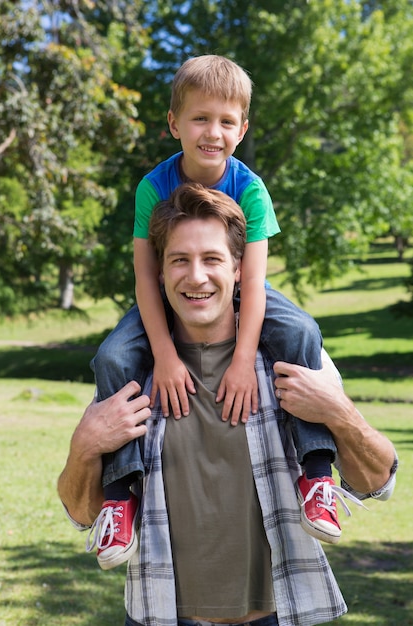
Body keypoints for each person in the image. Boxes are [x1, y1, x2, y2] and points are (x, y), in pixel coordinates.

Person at [59, 183, 398, 626]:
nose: (196, 276)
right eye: (179, 260)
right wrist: (84, 446)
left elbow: (378, 481)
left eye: (212, 259)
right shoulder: (133, 372)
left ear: (240, 269)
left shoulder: (290, 358)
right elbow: (83, 513)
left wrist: (338, 412)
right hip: (161, 615)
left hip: (279, 615)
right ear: (159, 274)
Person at [92, 56, 339, 570]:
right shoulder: (152, 188)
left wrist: (244, 358)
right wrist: (163, 354)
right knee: (112, 357)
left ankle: (316, 473)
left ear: (243, 128)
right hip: (168, 294)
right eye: (200, 118)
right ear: (174, 124)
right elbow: (144, 278)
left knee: (301, 330)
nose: (213, 132)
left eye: (227, 121)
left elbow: (252, 281)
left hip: (242, 291)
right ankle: (119, 496)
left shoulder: (250, 190)